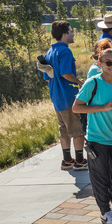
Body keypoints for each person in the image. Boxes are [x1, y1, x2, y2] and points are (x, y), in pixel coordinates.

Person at [72, 45, 112, 224]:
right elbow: (76, 107)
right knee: (101, 177)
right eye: (108, 62)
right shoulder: (92, 83)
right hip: (97, 138)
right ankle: (104, 211)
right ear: (99, 63)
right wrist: (103, 107)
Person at [43, 21, 87, 171]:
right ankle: (80, 161)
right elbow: (66, 73)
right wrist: (80, 82)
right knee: (77, 130)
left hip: (56, 97)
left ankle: (67, 160)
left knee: (63, 129)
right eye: (71, 31)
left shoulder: (49, 52)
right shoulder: (65, 51)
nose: (73, 34)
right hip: (68, 97)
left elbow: (47, 77)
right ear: (64, 34)